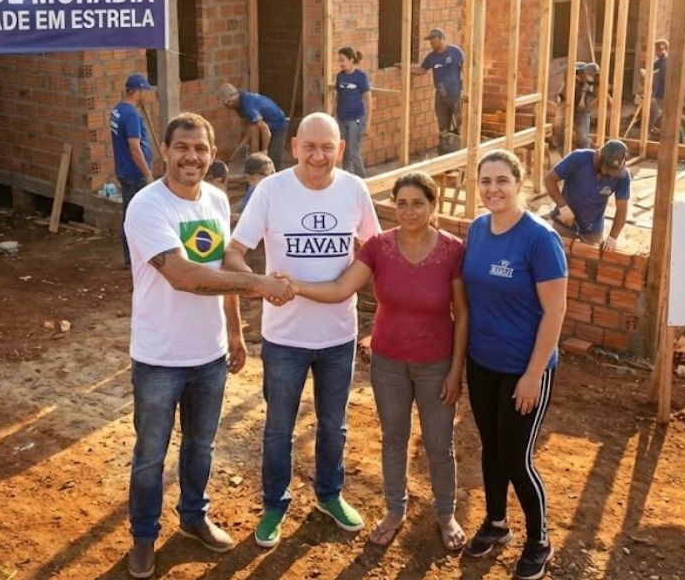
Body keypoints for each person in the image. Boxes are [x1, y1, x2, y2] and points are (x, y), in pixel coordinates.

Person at [122, 113, 293, 579]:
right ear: (165, 151)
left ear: (213, 155)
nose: (191, 157)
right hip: (159, 357)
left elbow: (218, 271)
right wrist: (258, 283)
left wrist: (233, 332)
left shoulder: (216, 200)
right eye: (182, 147)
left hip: (210, 354)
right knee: (150, 455)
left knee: (201, 446)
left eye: (200, 149)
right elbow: (182, 275)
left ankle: (193, 517)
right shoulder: (147, 206)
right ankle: (143, 536)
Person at [286, 171, 469, 551]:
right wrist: (295, 286)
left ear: (433, 206)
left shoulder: (453, 250)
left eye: (418, 203)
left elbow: (462, 313)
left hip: (436, 365)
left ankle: (445, 514)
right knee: (393, 439)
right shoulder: (378, 247)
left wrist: (456, 369)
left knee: (439, 444)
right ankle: (394, 511)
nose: (409, 211)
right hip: (388, 364)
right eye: (401, 203)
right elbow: (341, 288)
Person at [224, 112, 381, 549]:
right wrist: (260, 284)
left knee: (334, 425)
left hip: (338, 336)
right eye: (309, 146)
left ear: (341, 150)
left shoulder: (354, 190)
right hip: (285, 338)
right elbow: (234, 252)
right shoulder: (271, 191)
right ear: (294, 147)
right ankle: (275, 504)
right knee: (279, 427)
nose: (318, 156)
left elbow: (376, 250)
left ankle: (330, 495)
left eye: (327, 147)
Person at [463, 149, 567, 580]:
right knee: (491, 447)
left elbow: (555, 311)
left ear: (519, 183)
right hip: (481, 362)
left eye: (502, 180)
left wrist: (532, 375)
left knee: (516, 456)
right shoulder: (477, 229)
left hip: (524, 367)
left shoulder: (539, 238)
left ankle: (539, 540)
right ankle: (496, 522)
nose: (493, 189)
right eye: (485, 181)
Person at [543, 139, 630, 251]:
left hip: (592, 228)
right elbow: (549, 179)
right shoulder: (579, 159)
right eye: (607, 170)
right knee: (554, 252)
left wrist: (613, 237)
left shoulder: (622, 177)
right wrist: (562, 206)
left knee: (591, 258)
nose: (609, 175)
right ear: (598, 158)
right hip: (564, 222)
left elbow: (622, 209)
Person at [110, 74, 157, 268]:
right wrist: (147, 173)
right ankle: (134, 258)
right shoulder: (131, 115)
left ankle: (132, 256)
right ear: (137, 92)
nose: (147, 95)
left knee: (130, 212)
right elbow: (135, 148)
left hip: (123, 170)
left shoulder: (117, 110)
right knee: (137, 215)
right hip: (134, 174)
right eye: (145, 91)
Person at [412, 28, 464, 146]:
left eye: (433, 39)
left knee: (461, 122)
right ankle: (446, 148)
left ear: (442, 39)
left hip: (457, 94)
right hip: (441, 96)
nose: (431, 42)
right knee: (443, 125)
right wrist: (405, 68)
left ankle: (462, 148)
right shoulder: (432, 57)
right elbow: (422, 70)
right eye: (429, 39)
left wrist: (467, 89)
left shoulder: (455, 52)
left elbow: (466, 68)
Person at [218, 83, 289, 170]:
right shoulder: (240, 100)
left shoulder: (248, 107)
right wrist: (241, 145)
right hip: (266, 124)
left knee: (272, 162)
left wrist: (264, 151)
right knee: (259, 161)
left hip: (278, 124)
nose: (226, 107)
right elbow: (251, 126)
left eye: (226, 104)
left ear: (230, 101)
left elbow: (264, 128)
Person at [334, 47, 372, 177]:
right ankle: (348, 178)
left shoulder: (361, 77)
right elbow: (337, 97)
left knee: (353, 151)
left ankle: (362, 180)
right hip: (342, 119)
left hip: (356, 119)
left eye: (342, 60)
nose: (340, 63)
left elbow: (368, 100)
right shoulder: (340, 76)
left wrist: (368, 123)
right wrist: (333, 115)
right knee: (344, 150)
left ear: (351, 60)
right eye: (339, 60)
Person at [571, 62, 599, 150]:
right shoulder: (573, 84)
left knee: (582, 138)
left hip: (582, 112)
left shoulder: (589, 84)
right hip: (571, 109)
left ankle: (585, 150)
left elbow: (592, 95)